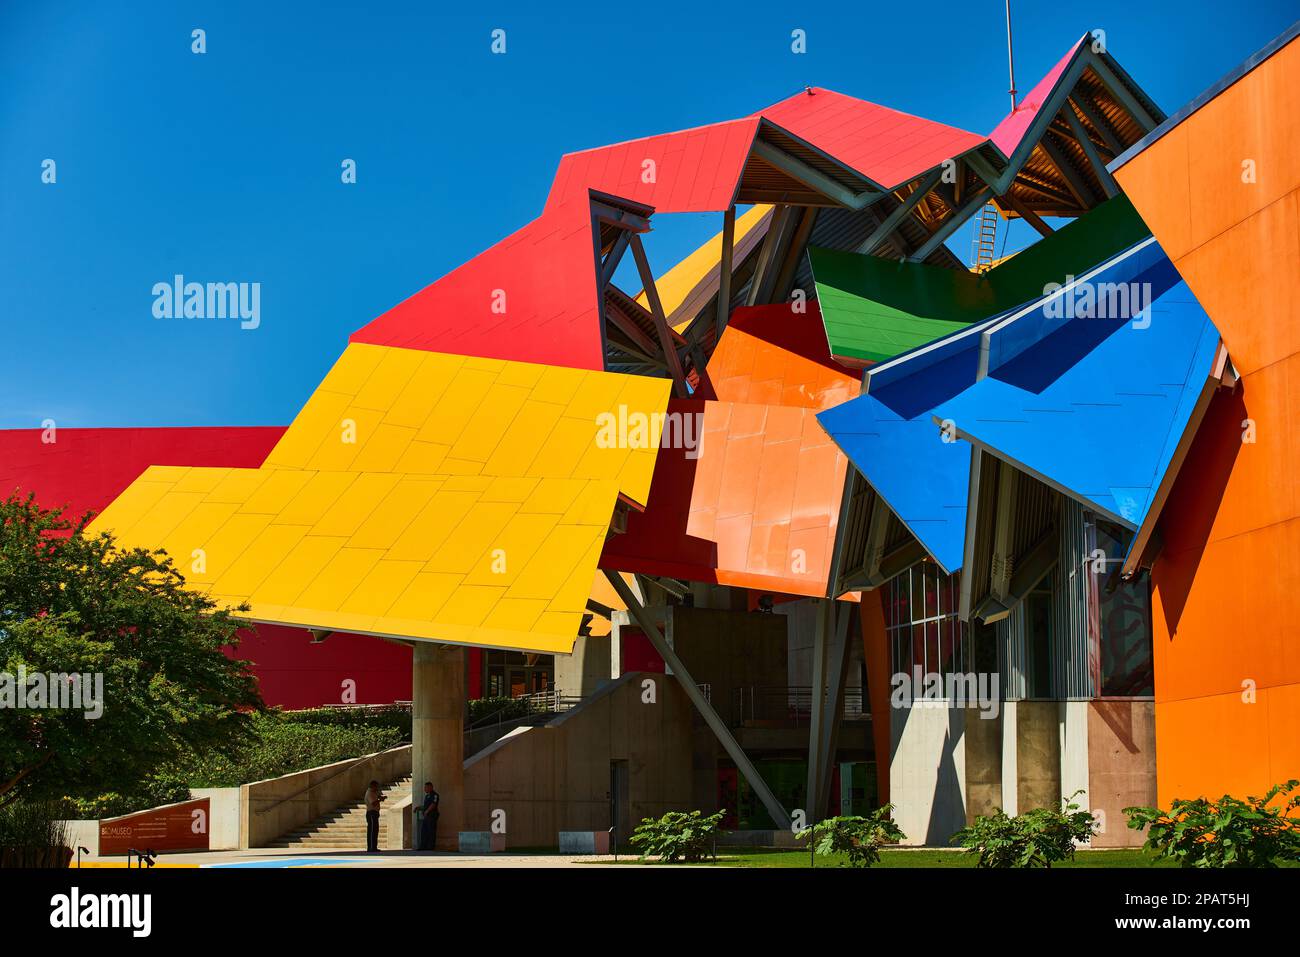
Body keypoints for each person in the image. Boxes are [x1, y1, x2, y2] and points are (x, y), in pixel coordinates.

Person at [419, 782, 440, 851]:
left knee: (431, 831)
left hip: (432, 815)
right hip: (426, 816)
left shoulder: (435, 795)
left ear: (430, 787)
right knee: (424, 831)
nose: (425, 789)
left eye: (426, 787)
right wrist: (419, 808)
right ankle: (423, 846)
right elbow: (426, 805)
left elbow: (433, 804)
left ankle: (430, 847)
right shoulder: (427, 796)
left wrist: (427, 811)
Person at [363, 780, 382, 853]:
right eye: (376, 786)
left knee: (375, 830)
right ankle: (371, 847)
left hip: (375, 813)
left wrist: (380, 797)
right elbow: (373, 803)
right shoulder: (369, 793)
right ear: (373, 786)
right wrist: (379, 800)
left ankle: (374, 847)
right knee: (372, 831)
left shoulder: (374, 792)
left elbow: (377, 796)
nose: (377, 788)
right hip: (371, 813)